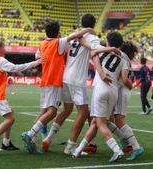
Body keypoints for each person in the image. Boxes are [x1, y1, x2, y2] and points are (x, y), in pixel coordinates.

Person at [40, 14, 111, 154]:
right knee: (83, 112)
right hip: (78, 80)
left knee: (67, 110)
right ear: (94, 24)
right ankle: (70, 146)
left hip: (65, 77)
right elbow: (96, 52)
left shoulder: (74, 35)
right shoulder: (93, 38)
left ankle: (48, 138)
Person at [21, 22, 95, 154]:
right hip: (55, 81)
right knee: (53, 112)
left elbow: (38, 57)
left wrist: (45, 60)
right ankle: (30, 134)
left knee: (48, 111)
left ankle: (37, 138)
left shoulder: (43, 43)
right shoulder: (58, 43)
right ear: (57, 33)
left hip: (47, 81)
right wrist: (88, 29)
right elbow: (74, 36)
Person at [72, 32, 133, 162]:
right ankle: (77, 151)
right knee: (95, 122)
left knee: (100, 123)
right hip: (114, 91)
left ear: (108, 41)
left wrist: (107, 49)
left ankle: (117, 150)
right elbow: (124, 78)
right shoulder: (124, 57)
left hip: (101, 89)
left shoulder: (100, 51)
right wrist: (112, 49)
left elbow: (92, 53)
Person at [0, 39, 43, 157]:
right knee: (10, 119)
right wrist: (36, 63)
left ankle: (6, 143)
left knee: (10, 113)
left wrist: (6, 79)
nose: (5, 49)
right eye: (3, 47)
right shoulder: (0, 59)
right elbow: (15, 68)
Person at [108, 41, 145, 161]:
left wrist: (131, 85)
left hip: (121, 91)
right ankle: (125, 140)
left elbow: (124, 80)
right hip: (120, 91)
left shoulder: (122, 58)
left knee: (118, 119)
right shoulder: (125, 59)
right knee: (107, 119)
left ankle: (136, 147)